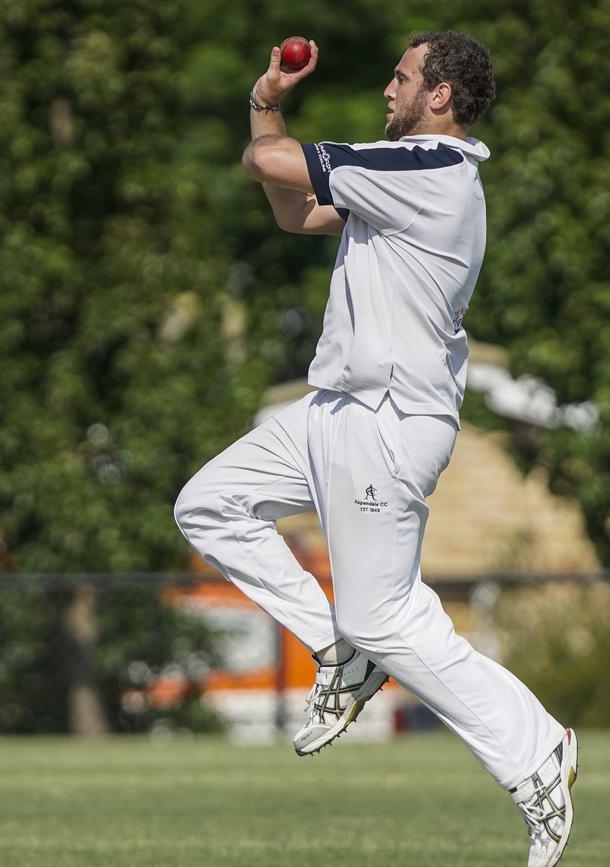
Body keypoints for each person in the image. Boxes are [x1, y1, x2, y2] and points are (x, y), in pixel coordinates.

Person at [175, 31, 577, 867]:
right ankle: (341, 653)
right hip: (330, 410)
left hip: (388, 419)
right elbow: (293, 210)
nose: (386, 92)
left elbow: (276, 169)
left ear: (440, 97)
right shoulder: (396, 181)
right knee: (209, 504)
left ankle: (538, 749)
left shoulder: (430, 169)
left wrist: (268, 108)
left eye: (400, 79)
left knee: (384, 613)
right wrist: (264, 110)